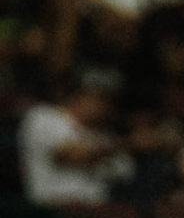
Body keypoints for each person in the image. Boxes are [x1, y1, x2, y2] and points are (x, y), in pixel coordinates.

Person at [18, 70, 131, 206]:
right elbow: (72, 156)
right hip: (55, 207)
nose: (102, 106)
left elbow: (125, 171)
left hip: (97, 207)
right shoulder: (43, 116)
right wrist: (129, 143)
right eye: (97, 97)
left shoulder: (102, 134)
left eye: (107, 101)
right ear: (78, 95)